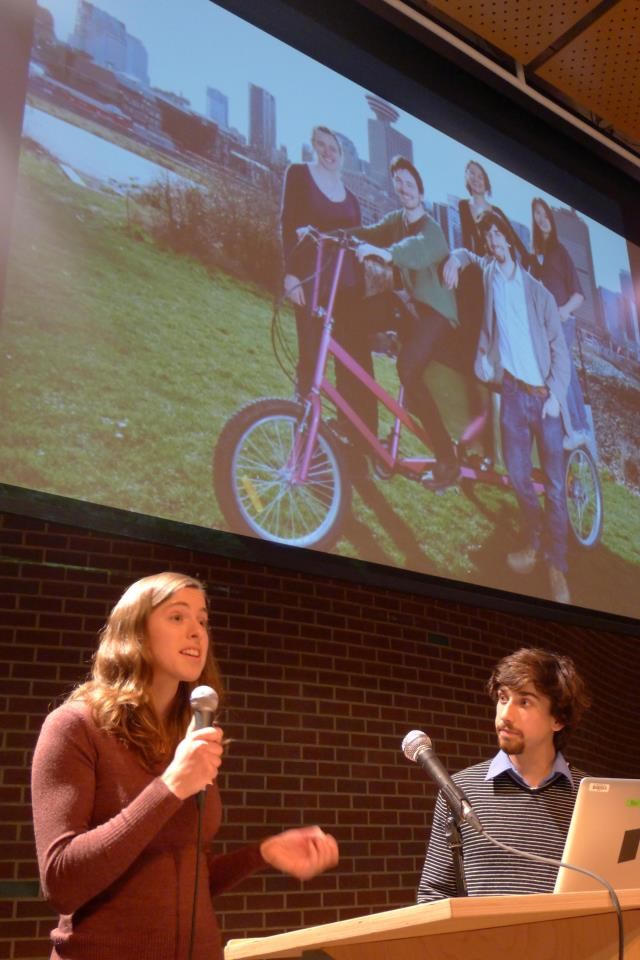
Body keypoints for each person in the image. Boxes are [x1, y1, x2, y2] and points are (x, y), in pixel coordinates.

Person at [31, 572, 338, 960]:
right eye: (177, 617)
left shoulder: (188, 738)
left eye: (202, 620)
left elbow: (180, 877)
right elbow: (62, 881)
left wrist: (263, 853)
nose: (196, 631)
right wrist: (171, 784)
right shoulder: (75, 726)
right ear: (134, 632)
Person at [443, 212, 572, 603]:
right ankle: (533, 543)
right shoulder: (489, 274)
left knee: (553, 486)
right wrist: (453, 258)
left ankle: (558, 566)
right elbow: (469, 260)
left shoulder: (539, 294)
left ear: (510, 241)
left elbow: (560, 352)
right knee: (517, 475)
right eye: (489, 238)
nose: (495, 243)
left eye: (499, 235)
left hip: (544, 398)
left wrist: (555, 396)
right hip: (513, 394)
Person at [417, 646, 591, 902]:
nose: (505, 715)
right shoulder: (458, 791)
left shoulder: (589, 797)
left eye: (524, 701)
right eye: (502, 698)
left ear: (558, 719)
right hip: (484, 942)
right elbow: (434, 894)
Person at [354, 156, 460, 489]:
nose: (404, 188)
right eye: (398, 182)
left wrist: (387, 254)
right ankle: (358, 419)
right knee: (358, 318)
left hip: (439, 315)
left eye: (409, 183)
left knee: (408, 369)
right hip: (415, 310)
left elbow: (414, 250)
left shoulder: (433, 230)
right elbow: (369, 231)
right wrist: (333, 235)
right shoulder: (397, 220)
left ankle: (448, 458)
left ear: (420, 189)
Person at [280, 125, 372, 443]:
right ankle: (303, 435)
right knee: (310, 357)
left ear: (342, 153)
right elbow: (288, 223)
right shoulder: (299, 174)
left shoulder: (353, 199)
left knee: (345, 364)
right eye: (321, 146)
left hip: (344, 290)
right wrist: (290, 274)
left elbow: (358, 245)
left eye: (332, 147)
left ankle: (344, 433)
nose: (327, 152)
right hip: (310, 280)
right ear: (313, 147)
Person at [530, 197, 592, 452]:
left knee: (562, 368)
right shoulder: (536, 257)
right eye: (537, 215)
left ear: (551, 220)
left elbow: (579, 294)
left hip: (563, 320)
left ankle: (578, 428)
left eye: (545, 215)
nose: (542, 219)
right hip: (545, 325)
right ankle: (574, 429)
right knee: (563, 372)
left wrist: (564, 310)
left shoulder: (560, 251)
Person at [458, 159, 529, 262]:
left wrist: (526, 262)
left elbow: (514, 240)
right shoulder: (463, 205)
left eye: (480, 177)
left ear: (486, 183)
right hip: (480, 266)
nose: (476, 179)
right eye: (472, 173)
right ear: (466, 177)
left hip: (501, 267)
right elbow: (466, 242)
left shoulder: (497, 211)